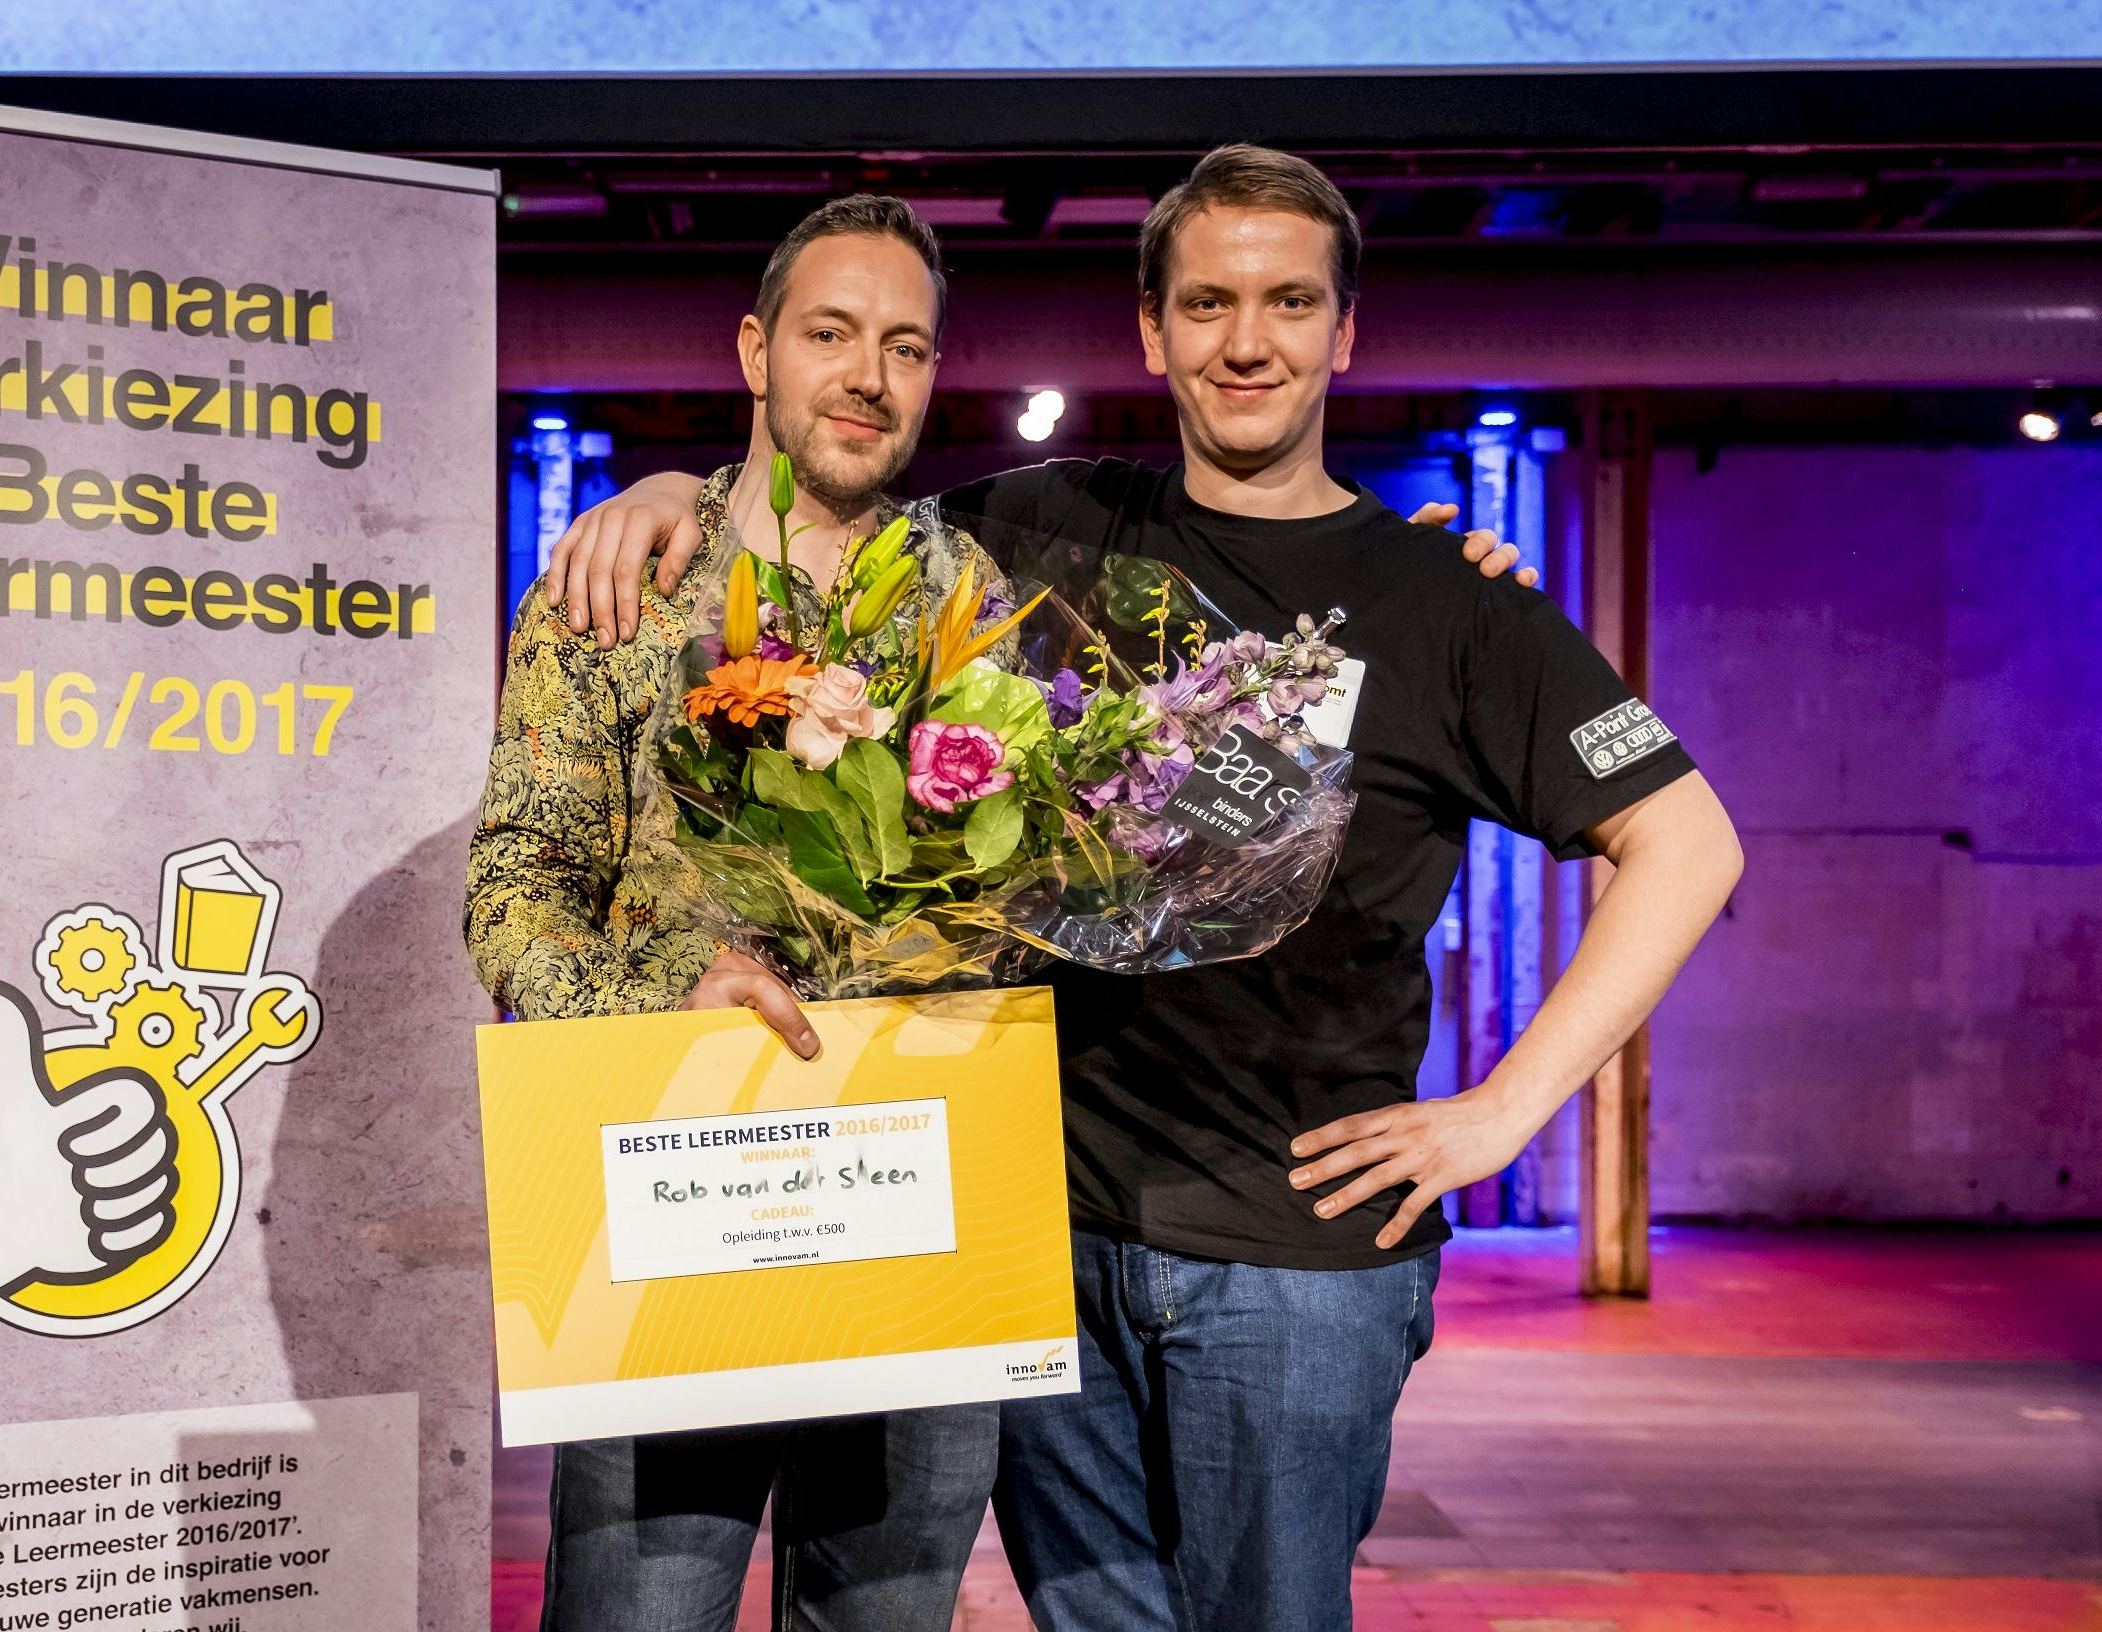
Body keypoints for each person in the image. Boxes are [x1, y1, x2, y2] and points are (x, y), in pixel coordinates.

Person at [541, 145, 1744, 1632]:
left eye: (1291, 302)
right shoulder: (1043, 533)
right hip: (1045, 1238)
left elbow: (1689, 845)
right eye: (1209, 302)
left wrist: (1505, 1112)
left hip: (1294, 1268)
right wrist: (667, 489)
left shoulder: (1459, 605)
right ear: (1152, 330)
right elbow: (826, 508)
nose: (1249, 341)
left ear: (1346, 331)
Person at [464, 195, 1013, 1632]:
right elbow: (512, 896)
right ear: (756, 349)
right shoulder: (620, 585)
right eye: (830, 334)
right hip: (676, 1214)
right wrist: (668, 984)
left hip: (915, 1217)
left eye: (905, 346)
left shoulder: (974, 598)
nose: (867, 376)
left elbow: (1027, 891)